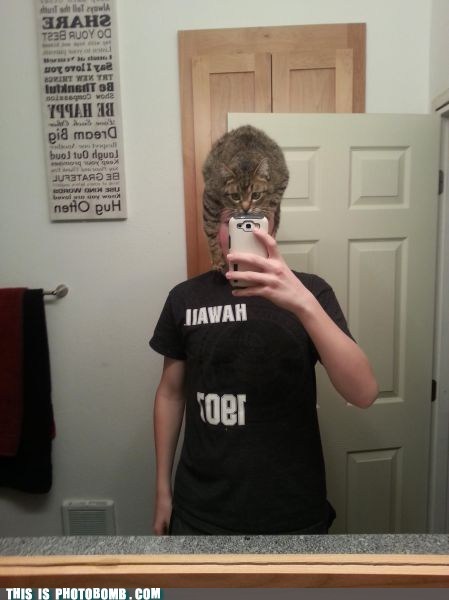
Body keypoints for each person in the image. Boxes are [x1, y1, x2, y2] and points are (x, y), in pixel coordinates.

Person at [150, 131, 378, 536]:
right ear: (216, 227)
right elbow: (170, 394)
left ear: (272, 226)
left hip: (292, 513)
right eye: (230, 221)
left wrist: (301, 302)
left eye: (253, 221)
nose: (241, 229)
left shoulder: (311, 292)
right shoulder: (184, 298)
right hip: (200, 512)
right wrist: (162, 491)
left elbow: (363, 393)